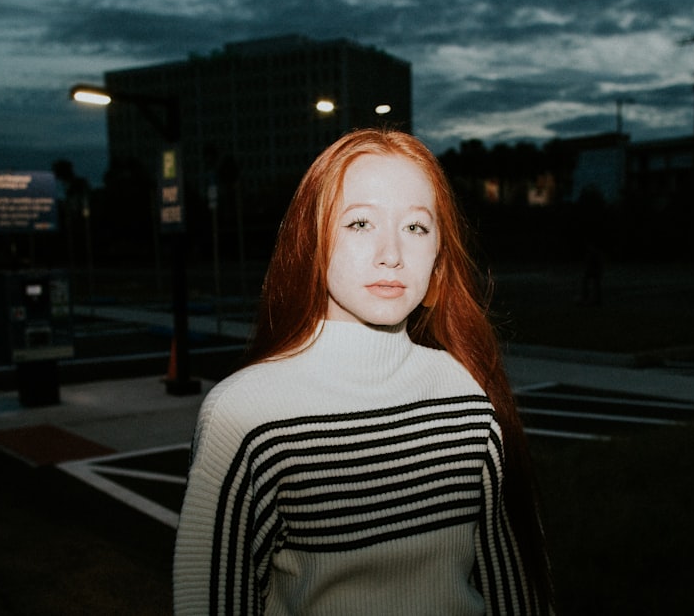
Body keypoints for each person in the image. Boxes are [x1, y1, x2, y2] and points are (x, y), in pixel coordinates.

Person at [174, 129, 554, 615]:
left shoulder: (468, 396)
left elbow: (515, 589)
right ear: (311, 241)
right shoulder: (246, 414)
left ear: (439, 256)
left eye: (416, 227)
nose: (391, 254)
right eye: (359, 223)